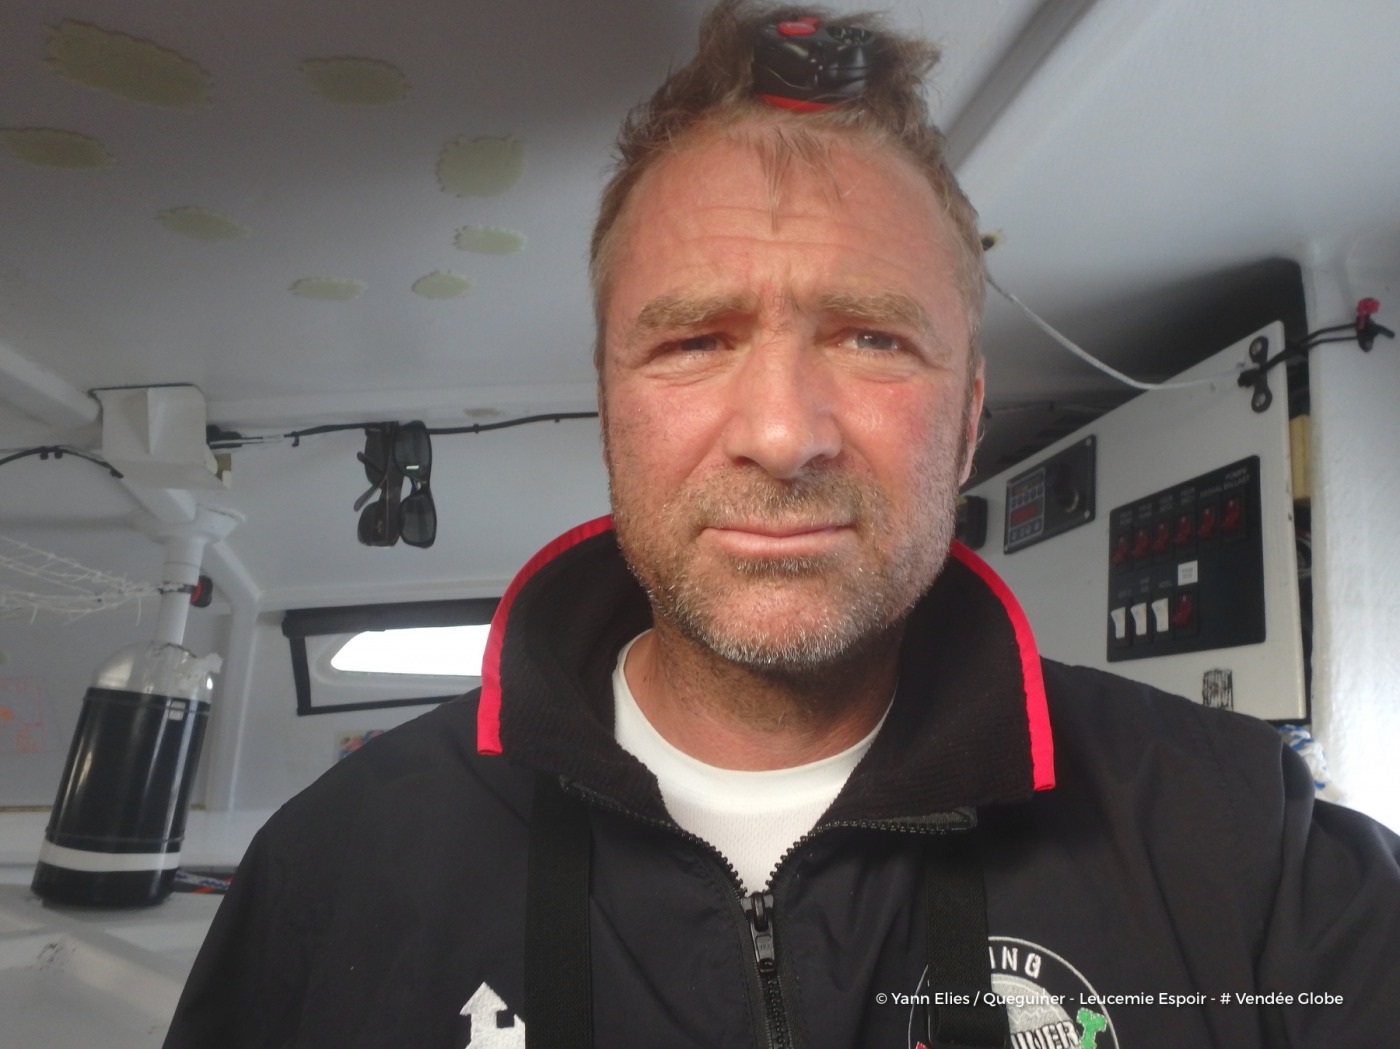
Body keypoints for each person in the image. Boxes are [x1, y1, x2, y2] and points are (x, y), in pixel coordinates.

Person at [165, 3, 1400, 1047]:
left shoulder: (1241, 840)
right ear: (610, 407)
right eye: (693, 341)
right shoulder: (335, 867)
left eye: (871, 337)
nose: (781, 432)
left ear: (966, 420)